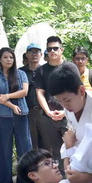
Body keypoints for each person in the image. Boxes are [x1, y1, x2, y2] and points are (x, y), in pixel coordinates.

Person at [0, 47, 32, 183]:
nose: (8, 60)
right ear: (0, 59)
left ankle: (26, 182)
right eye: (5, 57)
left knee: (24, 148)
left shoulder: (21, 74)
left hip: (22, 115)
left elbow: (24, 92)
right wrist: (11, 105)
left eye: (11, 57)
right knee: (3, 149)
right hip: (3, 116)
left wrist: (8, 96)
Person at [32, 36, 69, 175]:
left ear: (61, 49)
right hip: (48, 117)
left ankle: (76, 179)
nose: (52, 51)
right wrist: (48, 112)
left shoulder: (69, 67)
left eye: (55, 48)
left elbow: (77, 92)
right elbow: (39, 93)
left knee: (73, 147)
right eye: (49, 49)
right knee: (55, 150)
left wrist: (66, 112)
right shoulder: (42, 70)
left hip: (68, 115)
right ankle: (62, 179)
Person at [20, 43, 43, 150]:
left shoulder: (46, 70)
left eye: (37, 52)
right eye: (31, 52)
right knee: (29, 143)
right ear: (26, 54)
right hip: (26, 112)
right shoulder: (20, 72)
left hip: (44, 112)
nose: (34, 54)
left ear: (41, 54)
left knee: (47, 142)